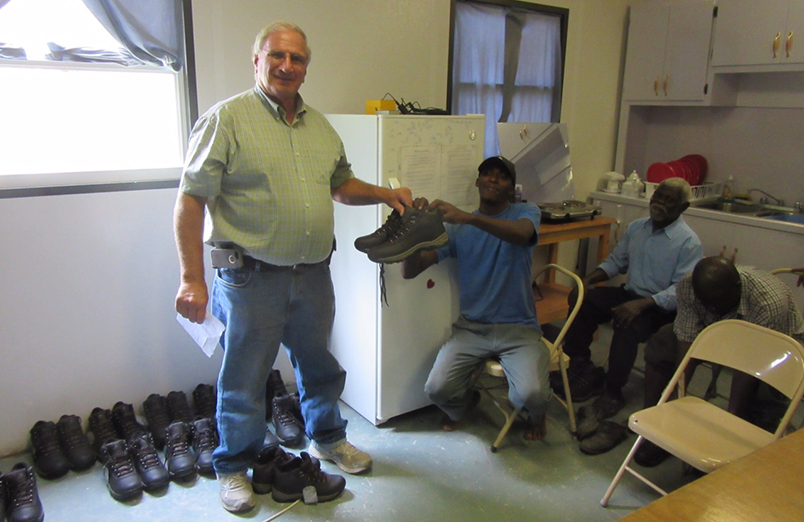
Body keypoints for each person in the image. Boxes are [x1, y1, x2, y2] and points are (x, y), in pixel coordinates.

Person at [173, 21, 413, 513]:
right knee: (244, 379)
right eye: (277, 56)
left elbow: (341, 185)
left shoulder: (320, 127)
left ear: (306, 66)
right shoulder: (227, 119)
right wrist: (192, 278)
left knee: (318, 364)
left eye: (297, 58)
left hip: (313, 274)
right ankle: (234, 468)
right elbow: (190, 200)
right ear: (257, 61)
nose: (287, 66)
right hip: (250, 277)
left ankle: (328, 438)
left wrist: (386, 194)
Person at [401, 156, 551, 441]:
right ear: (478, 182)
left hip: (518, 329)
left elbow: (521, 235)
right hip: (472, 328)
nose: (493, 179)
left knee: (533, 395)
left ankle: (536, 411)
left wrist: (466, 217)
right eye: (487, 174)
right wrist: (411, 233)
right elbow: (411, 270)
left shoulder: (525, 212)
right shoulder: (457, 230)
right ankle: (467, 404)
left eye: (502, 176)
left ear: (510, 188)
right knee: (437, 390)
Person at [634, 256, 804, 466]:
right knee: (664, 343)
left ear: (737, 287)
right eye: (707, 304)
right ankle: (654, 422)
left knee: (765, 392)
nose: (713, 308)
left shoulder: (767, 302)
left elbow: (750, 362)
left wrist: (729, 428)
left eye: (719, 302)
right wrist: (675, 399)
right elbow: (687, 338)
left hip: (775, 343)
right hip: (715, 330)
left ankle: (737, 446)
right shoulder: (690, 285)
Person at [560, 178, 703, 426]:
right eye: (658, 196)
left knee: (627, 323)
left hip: (660, 308)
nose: (659, 203)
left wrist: (643, 304)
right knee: (583, 299)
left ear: (683, 208)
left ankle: (613, 392)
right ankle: (580, 365)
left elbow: (681, 291)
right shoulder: (637, 227)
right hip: (630, 294)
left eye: (669, 200)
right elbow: (617, 262)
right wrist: (587, 280)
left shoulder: (688, 242)